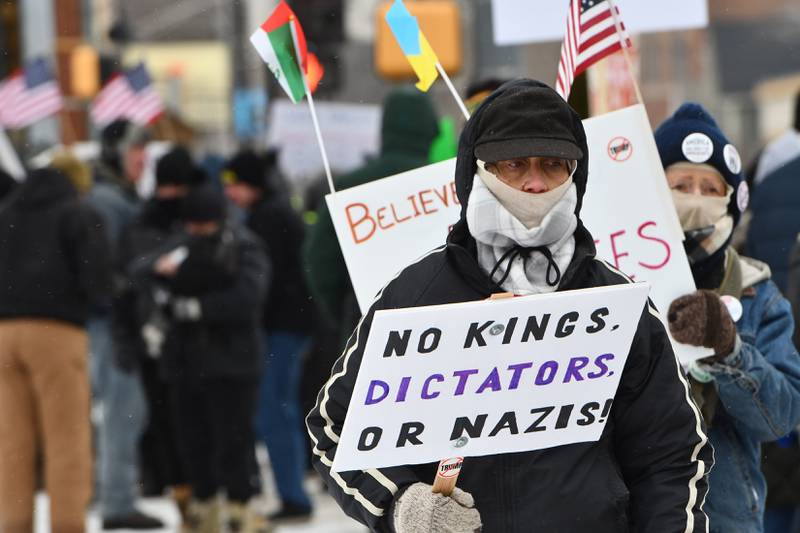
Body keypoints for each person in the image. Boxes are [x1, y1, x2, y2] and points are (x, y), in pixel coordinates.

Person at [307, 79, 712, 532]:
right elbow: (334, 429)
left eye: (553, 165)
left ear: (576, 174)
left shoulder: (616, 304)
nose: (534, 182)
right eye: (513, 164)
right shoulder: (417, 295)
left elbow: (670, 458)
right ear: (476, 170)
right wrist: (402, 502)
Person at [654, 102, 800, 533]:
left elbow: (780, 418)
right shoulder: (615, 282)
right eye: (681, 184)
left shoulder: (759, 295)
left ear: (733, 199)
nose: (696, 200)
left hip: (726, 516)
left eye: (710, 187)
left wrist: (729, 351)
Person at [129, 185, 270, 533]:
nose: (195, 232)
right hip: (188, 366)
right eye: (191, 225)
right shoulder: (182, 245)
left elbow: (249, 296)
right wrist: (159, 274)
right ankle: (204, 508)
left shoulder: (242, 245)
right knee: (193, 442)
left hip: (233, 364)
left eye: (201, 225)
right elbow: (140, 269)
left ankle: (240, 507)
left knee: (233, 440)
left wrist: (199, 308)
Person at [0, 167, 112, 533]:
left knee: (12, 442)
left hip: (3, 333)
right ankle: (68, 525)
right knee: (66, 438)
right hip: (57, 330)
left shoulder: (6, 214)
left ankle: (13, 524)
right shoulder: (75, 215)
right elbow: (97, 278)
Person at [303, 87, 439, 349]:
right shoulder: (447, 185)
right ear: (430, 130)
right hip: (436, 333)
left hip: (364, 328)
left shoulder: (350, 186)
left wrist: (344, 307)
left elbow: (319, 261)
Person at [223, 150, 315, 522]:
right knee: (277, 410)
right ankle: (292, 492)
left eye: (236, 185)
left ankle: (293, 496)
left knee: (273, 410)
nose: (230, 193)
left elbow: (269, 282)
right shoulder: (273, 211)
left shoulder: (268, 217)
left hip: (282, 329)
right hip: (290, 327)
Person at [112, 146, 202, 523]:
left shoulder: (139, 223)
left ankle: (174, 491)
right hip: (185, 341)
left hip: (153, 341)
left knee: (163, 424)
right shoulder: (190, 224)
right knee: (186, 425)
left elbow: (124, 287)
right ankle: (190, 499)